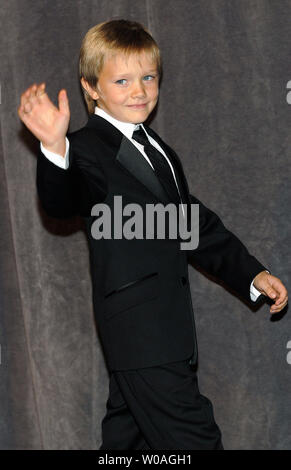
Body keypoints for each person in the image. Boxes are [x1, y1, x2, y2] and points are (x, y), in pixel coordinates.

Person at [18, 19, 288, 450]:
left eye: (148, 77)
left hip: (159, 336)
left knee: (127, 445)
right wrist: (54, 148)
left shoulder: (159, 149)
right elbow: (61, 200)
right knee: (196, 441)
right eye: (122, 80)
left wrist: (251, 275)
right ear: (91, 87)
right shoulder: (85, 149)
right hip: (143, 337)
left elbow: (191, 224)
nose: (139, 91)